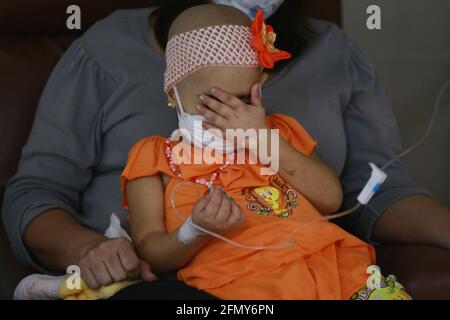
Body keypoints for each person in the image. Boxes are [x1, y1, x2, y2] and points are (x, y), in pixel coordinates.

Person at [2, 0, 449, 299]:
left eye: (245, 98)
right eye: (213, 103)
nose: (230, 117)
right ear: (173, 95)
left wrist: (264, 140)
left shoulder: (287, 118)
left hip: (315, 264)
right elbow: (38, 192)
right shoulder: (147, 139)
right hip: (187, 283)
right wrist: (90, 250)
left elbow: (364, 190)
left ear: (262, 84)